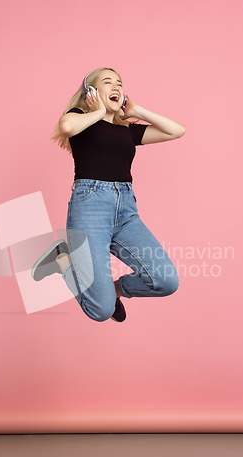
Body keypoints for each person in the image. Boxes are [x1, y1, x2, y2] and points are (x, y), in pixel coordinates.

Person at [32, 67, 186, 323]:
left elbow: (176, 130)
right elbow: (67, 126)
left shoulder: (126, 130)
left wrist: (136, 112)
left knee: (166, 280)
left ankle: (115, 291)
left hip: (125, 210)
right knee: (101, 311)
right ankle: (61, 259)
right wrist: (99, 112)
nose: (116, 86)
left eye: (119, 83)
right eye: (107, 82)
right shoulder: (81, 118)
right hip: (90, 208)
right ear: (90, 92)